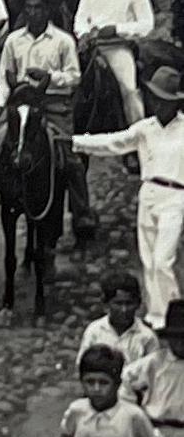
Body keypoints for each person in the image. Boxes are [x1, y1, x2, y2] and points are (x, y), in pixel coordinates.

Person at [74, 68, 184, 326]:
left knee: (162, 260)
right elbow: (113, 142)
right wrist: (75, 142)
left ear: (174, 102)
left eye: (162, 99)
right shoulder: (145, 129)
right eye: (154, 98)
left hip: (176, 196)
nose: (157, 104)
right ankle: (156, 315)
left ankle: (174, 315)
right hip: (149, 194)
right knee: (148, 260)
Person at [0, 0, 90, 243]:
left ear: (48, 10)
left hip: (53, 105)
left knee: (68, 159)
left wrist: (51, 78)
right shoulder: (13, 41)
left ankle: (82, 211)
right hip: (20, 104)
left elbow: (74, 77)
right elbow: (4, 77)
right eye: (29, 8)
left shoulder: (63, 41)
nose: (33, 13)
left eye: (38, 7)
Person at [75, 0, 155, 127]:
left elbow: (147, 24)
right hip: (92, 45)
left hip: (117, 47)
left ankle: (137, 130)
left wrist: (117, 29)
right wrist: (83, 33)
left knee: (128, 88)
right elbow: (80, 18)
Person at [123, 300, 184, 437]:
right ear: (168, 337)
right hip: (155, 435)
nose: (181, 343)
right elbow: (125, 397)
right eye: (177, 337)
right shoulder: (150, 366)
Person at [78, 271, 159, 368]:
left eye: (129, 304)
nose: (124, 310)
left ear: (138, 304)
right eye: (118, 303)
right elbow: (83, 366)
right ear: (106, 303)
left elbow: (154, 372)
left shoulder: (147, 337)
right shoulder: (95, 331)